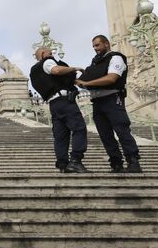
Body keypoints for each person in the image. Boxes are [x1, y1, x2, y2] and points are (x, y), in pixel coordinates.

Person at [76, 35, 142, 173]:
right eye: (93, 46)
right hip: (97, 102)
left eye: (97, 45)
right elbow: (81, 82)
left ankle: (133, 161)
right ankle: (116, 163)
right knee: (105, 135)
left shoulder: (116, 57)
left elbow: (112, 78)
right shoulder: (95, 64)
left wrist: (87, 83)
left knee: (122, 131)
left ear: (106, 44)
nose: (95, 49)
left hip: (112, 99)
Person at [29, 47, 89, 173]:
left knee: (61, 136)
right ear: (43, 54)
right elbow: (55, 70)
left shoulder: (34, 71)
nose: (53, 56)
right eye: (50, 53)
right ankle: (75, 161)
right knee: (79, 129)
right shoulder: (47, 62)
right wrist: (74, 68)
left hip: (53, 104)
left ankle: (63, 164)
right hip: (64, 101)